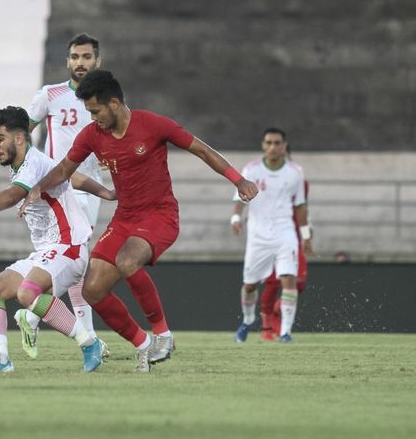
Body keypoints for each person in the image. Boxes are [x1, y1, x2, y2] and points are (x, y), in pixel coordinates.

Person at [20, 70, 258, 372]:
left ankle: (163, 335)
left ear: (115, 104)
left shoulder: (152, 125)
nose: (93, 118)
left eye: (96, 111)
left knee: (127, 261)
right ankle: (143, 345)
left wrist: (238, 180)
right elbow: (65, 168)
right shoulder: (92, 135)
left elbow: (200, 149)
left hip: (160, 215)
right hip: (125, 219)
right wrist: (38, 188)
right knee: (92, 290)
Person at [0, 106, 116, 373]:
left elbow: (13, 195)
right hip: (47, 251)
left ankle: (90, 343)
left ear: (19, 138)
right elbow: (69, 175)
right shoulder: (32, 163)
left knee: (27, 292)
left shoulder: (32, 163)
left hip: (69, 247)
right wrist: (106, 192)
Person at [13, 33, 107, 359]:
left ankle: (32, 312)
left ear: (97, 61)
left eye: (86, 57)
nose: (80, 63)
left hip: (92, 186)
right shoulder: (50, 95)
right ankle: (88, 337)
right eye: (75, 57)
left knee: (76, 262)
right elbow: (20, 132)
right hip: (60, 187)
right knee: (78, 258)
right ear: (68, 61)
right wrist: (31, 172)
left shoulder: (107, 99)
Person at [231, 128, 313, 343]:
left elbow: (301, 206)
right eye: (269, 142)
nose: (273, 147)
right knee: (250, 285)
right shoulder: (252, 170)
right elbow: (240, 198)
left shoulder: (295, 172)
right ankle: (248, 320)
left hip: (285, 233)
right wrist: (236, 219)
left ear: (284, 146)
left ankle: (285, 332)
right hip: (258, 234)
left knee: (288, 280)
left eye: (277, 143)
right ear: (263, 145)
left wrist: (305, 236)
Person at [258, 146, 310, 340]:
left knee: (298, 282)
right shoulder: (260, 179)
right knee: (272, 282)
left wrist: (306, 233)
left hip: (292, 236)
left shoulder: (298, 180)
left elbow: (302, 208)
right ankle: (267, 327)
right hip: (269, 236)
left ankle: (277, 312)